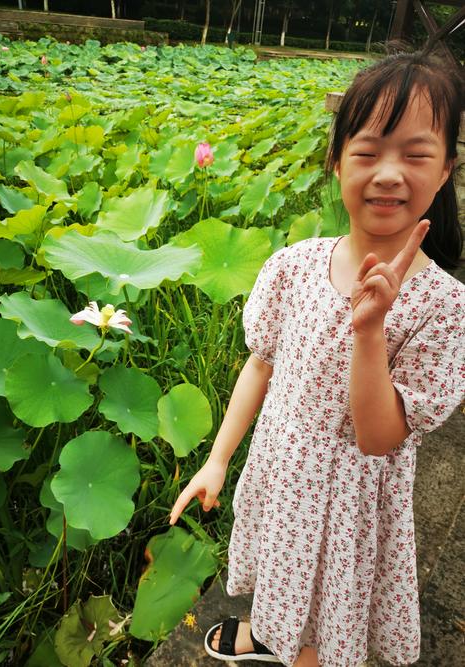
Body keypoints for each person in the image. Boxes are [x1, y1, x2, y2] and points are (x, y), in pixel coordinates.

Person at [169, 51, 465, 667]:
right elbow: (262, 365)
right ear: (336, 163)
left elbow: (379, 437)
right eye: (366, 151)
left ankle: (303, 652)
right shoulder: (295, 265)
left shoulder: (445, 306)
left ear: (445, 172)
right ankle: (269, 633)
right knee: (281, 578)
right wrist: (219, 460)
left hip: (351, 500)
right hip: (281, 471)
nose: (388, 173)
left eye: (415, 154)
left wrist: (370, 332)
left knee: (328, 613)